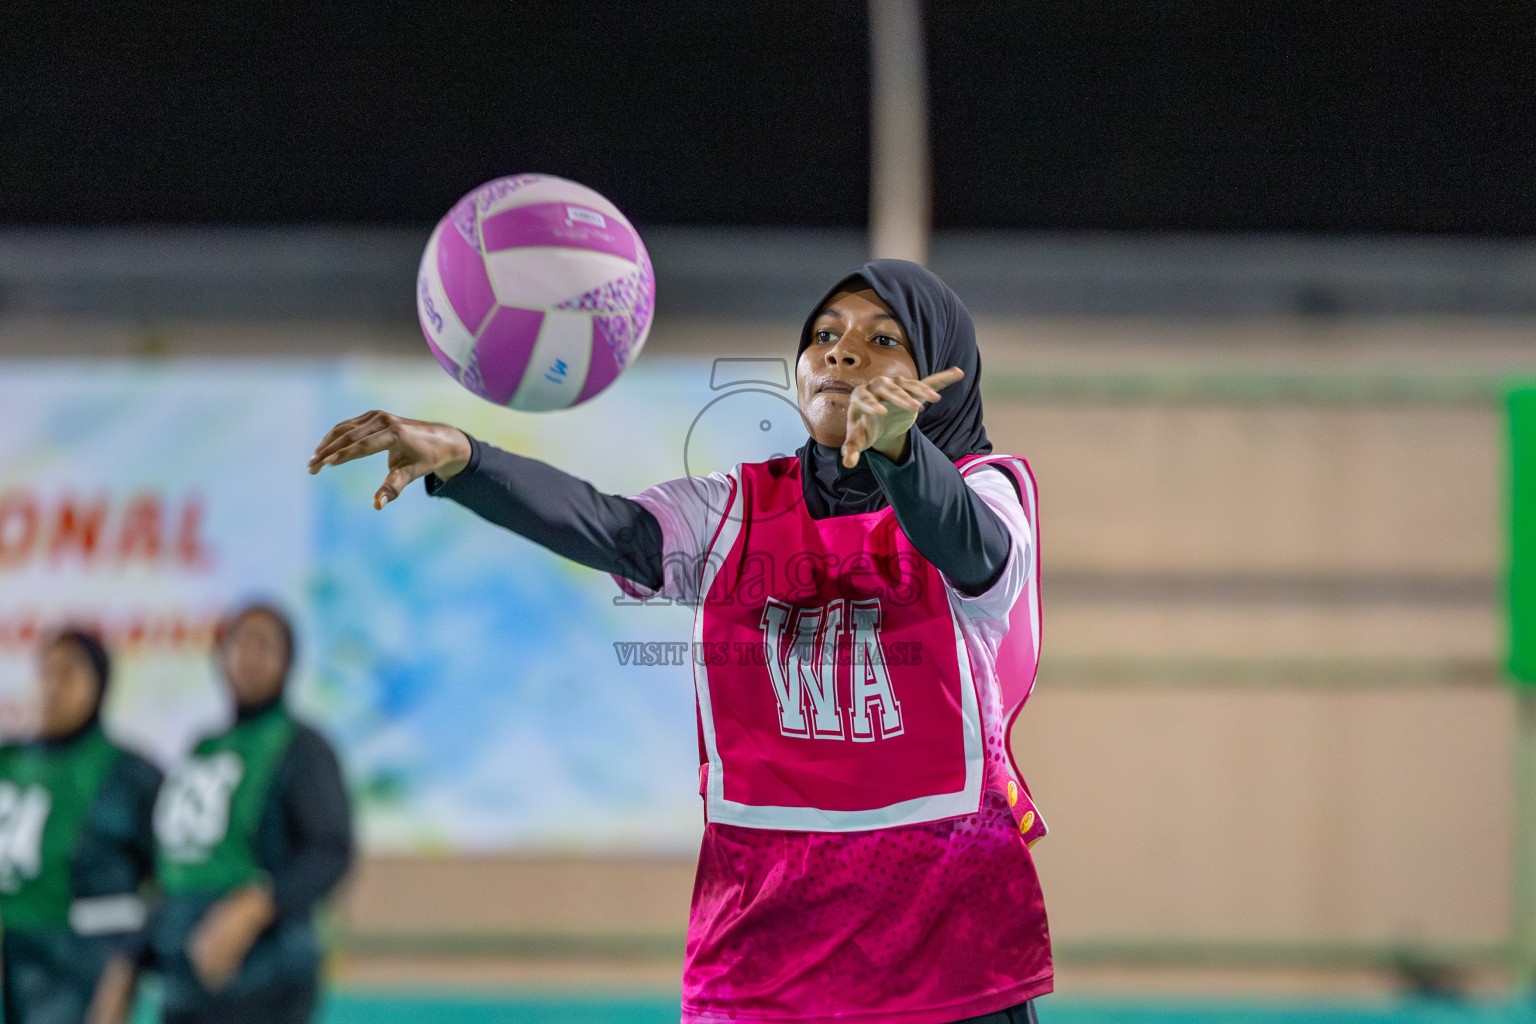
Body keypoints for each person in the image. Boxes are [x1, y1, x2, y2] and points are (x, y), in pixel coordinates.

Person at [310, 259, 1051, 1023]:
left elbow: (971, 550)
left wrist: (901, 454)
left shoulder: (989, 490)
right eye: (824, 334)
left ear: (939, 373)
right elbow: (614, 529)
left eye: (882, 337)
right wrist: (467, 459)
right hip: (767, 957)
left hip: (950, 959)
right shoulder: (735, 507)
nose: (840, 352)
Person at [92, 603, 354, 1024]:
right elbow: (177, 870)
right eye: (238, 643)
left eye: (264, 645)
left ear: (287, 661)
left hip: (263, 973)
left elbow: (330, 851)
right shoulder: (201, 749)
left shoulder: (302, 747)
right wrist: (130, 961)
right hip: (185, 975)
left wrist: (252, 910)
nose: (248, 657)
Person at [0, 629, 160, 1024]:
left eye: (69, 673)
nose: (54, 686)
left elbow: (170, 882)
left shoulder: (129, 774)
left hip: (80, 970)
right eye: (47, 673)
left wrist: (124, 971)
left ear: (100, 685)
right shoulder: (8, 761)